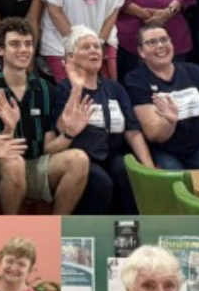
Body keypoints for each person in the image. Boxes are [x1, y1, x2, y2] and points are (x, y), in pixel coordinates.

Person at [0, 18, 90, 215]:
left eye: (28, 44)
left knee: (79, 159)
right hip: (1, 166)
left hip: (36, 163)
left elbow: (48, 147)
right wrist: (10, 127)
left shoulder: (44, 88)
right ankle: (13, 229)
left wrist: (69, 134)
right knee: (14, 162)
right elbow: (0, 148)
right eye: (15, 44)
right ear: (0, 50)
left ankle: (56, 226)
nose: (24, 50)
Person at [55, 26, 155, 215]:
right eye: (86, 47)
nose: (94, 51)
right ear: (71, 57)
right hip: (82, 158)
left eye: (97, 46)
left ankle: (129, 229)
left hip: (112, 154)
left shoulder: (115, 88)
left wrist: (149, 169)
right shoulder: (64, 89)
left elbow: (133, 131)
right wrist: (76, 90)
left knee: (128, 171)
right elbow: (61, 129)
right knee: (101, 183)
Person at [125, 25, 199, 170]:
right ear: (141, 51)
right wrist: (169, 122)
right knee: (171, 174)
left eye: (164, 40)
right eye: (152, 42)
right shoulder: (136, 80)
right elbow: (153, 135)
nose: (160, 45)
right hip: (165, 150)